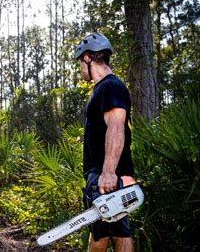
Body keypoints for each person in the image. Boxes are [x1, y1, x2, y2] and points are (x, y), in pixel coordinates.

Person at [75, 33, 136, 252]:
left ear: (89, 57)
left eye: (80, 62)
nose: (80, 68)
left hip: (107, 175)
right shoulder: (100, 90)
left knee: (105, 235)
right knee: (116, 231)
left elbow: (116, 126)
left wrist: (109, 172)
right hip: (102, 174)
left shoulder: (110, 87)